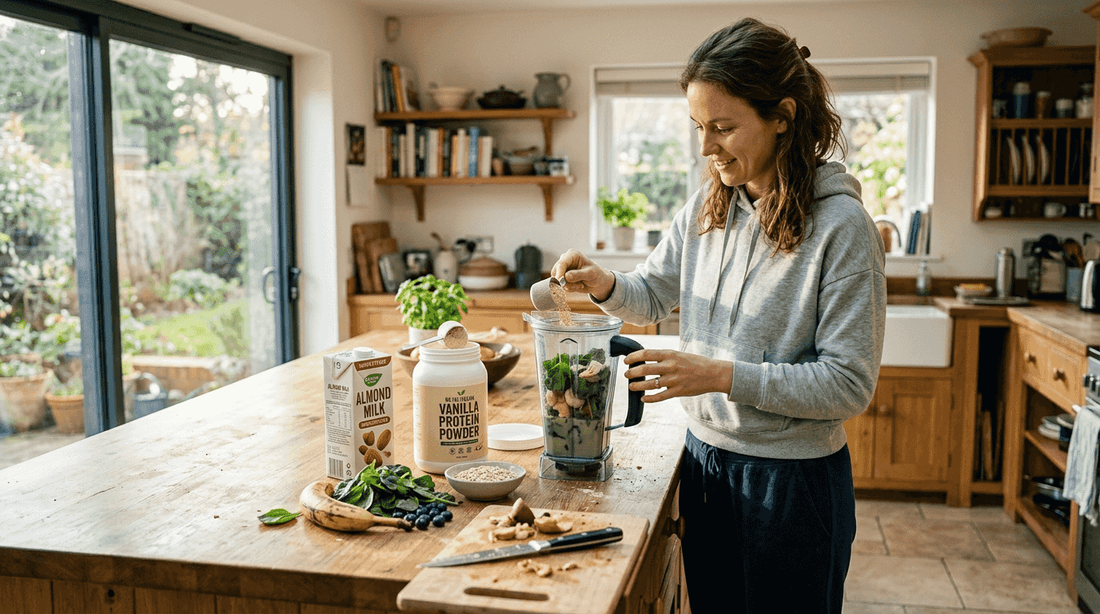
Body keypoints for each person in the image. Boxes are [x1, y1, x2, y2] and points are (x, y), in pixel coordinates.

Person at [550, 17, 886, 614]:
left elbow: (847, 384)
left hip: (792, 486)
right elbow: (652, 293)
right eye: (699, 127)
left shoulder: (843, 229)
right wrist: (605, 285)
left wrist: (720, 374)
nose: (706, 147)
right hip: (704, 464)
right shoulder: (707, 207)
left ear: (783, 115)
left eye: (724, 128)